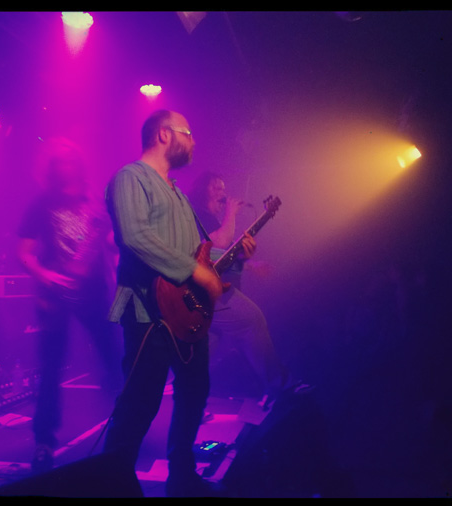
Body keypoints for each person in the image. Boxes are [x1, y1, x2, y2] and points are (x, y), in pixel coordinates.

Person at [102, 110, 224, 497]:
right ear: (164, 135)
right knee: (140, 404)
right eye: (188, 133)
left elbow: (198, 252)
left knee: (194, 393)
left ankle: (182, 477)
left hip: (185, 314)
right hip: (148, 314)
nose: (194, 141)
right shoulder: (130, 178)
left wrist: (233, 257)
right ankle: (111, 487)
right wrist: (196, 272)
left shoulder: (178, 193)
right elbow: (135, 236)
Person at [17, 138, 119, 473]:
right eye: (59, 161)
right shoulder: (41, 204)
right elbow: (24, 253)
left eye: (70, 160)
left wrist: (117, 241)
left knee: (113, 355)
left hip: (92, 290)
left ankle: (127, 422)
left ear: (79, 165)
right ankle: (44, 440)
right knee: (50, 367)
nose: (65, 166)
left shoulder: (94, 203)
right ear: (52, 168)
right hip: (54, 293)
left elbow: (110, 243)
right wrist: (45, 275)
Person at [188, 171, 303, 408]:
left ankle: (190, 404)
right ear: (201, 191)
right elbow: (218, 243)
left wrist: (246, 259)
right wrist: (231, 213)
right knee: (252, 320)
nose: (222, 193)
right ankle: (280, 385)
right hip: (202, 291)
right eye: (215, 188)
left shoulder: (213, 221)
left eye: (223, 188)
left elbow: (221, 260)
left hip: (202, 293)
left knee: (204, 352)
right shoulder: (197, 215)